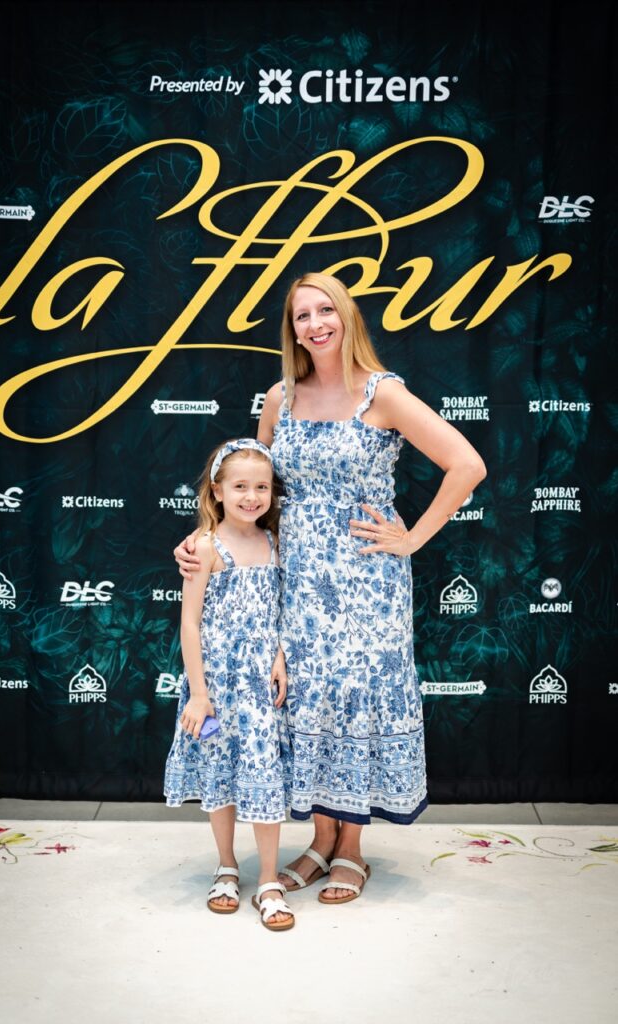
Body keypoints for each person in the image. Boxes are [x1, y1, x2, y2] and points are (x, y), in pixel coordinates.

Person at [175, 272, 486, 905]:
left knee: (355, 699)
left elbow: (467, 464)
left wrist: (411, 539)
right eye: (300, 316)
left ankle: (353, 851)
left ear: (346, 317)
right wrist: (203, 540)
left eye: (325, 311)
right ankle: (320, 842)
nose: (314, 324)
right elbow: (248, 488)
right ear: (290, 329)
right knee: (308, 700)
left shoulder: (383, 392)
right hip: (292, 579)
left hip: (365, 583)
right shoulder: (279, 398)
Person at [163, 438, 295, 931]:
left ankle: (268, 880)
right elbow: (190, 624)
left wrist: (281, 656)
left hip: (261, 688)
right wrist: (199, 693)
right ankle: (226, 865)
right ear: (217, 490)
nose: (251, 496)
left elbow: (284, 611)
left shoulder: (275, 543)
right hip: (217, 686)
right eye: (240, 486)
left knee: (264, 778)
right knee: (219, 776)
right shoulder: (204, 547)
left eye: (261, 487)